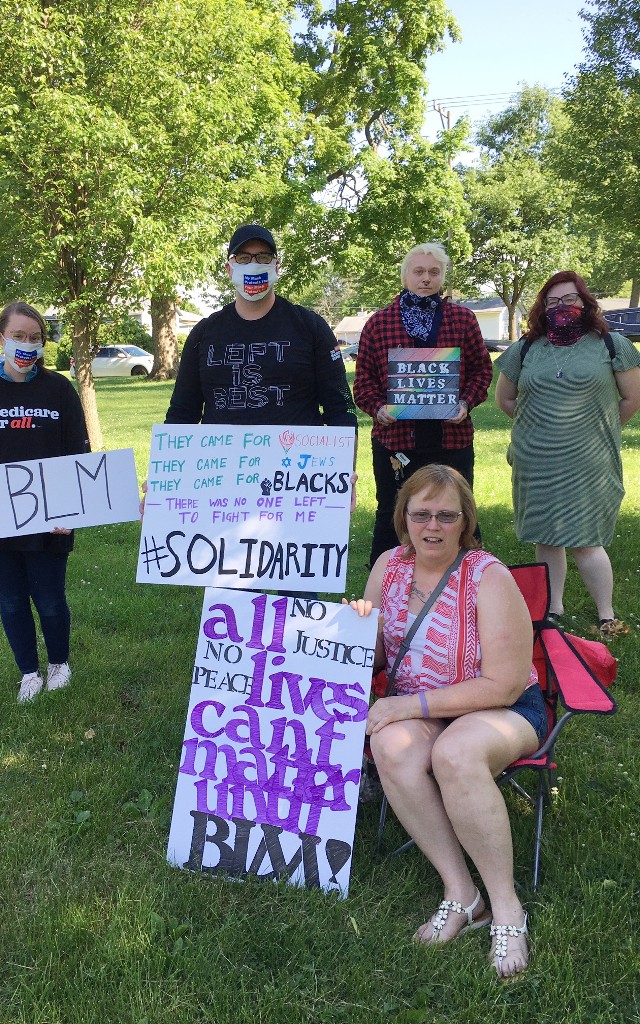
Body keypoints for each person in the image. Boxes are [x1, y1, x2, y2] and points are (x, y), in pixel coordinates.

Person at [346, 464, 547, 980]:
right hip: (427, 707)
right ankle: (462, 894)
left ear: (465, 521)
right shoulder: (389, 566)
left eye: (446, 515)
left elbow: (504, 684)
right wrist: (356, 630)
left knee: (455, 753)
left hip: (502, 709)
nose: (432, 526)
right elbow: (376, 656)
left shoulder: (489, 577)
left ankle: (507, 908)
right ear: (403, 518)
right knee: (390, 746)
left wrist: (409, 706)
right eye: (421, 515)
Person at [0, 302, 90, 702]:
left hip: (51, 519)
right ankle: (29, 671)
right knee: (11, 601)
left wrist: (73, 510)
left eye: (35, 338)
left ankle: (59, 664)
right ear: (0, 339)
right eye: (18, 336)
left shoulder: (59, 390)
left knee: (50, 599)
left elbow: (78, 457)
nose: (27, 345)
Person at [495, 272, 640, 637]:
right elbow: (505, 399)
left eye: (570, 299)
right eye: (553, 301)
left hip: (589, 462)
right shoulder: (525, 348)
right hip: (536, 461)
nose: (562, 307)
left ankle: (606, 614)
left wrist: (593, 429)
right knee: (546, 536)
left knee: (586, 540)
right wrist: (539, 427)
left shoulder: (612, 345)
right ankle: (552, 607)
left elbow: (632, 398)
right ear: (542, 307)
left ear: (585, 302)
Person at [353, 242, 492, 567]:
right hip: (395, 443)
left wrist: (465, 403)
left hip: (451, 440)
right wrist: (379, 408)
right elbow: (363, 383)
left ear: (443, 276)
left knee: (458, 512)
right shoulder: (379, 323)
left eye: (434, 272)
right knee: (392, 513)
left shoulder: (462, 319)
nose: (426, 278)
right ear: (405, 276)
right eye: (418, 271)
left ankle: (468, 580)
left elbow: (482, 370)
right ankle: (386, 583)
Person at [165, 223, 357, 433]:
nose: (253, 265)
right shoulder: (204, 333)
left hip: (296, 453)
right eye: (243, 258)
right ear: (229, 269)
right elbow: (181, 413)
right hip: (220, 452)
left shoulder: (311, 327)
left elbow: (341, 408)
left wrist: (348, 449)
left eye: (263, 257)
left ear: (276, 267)